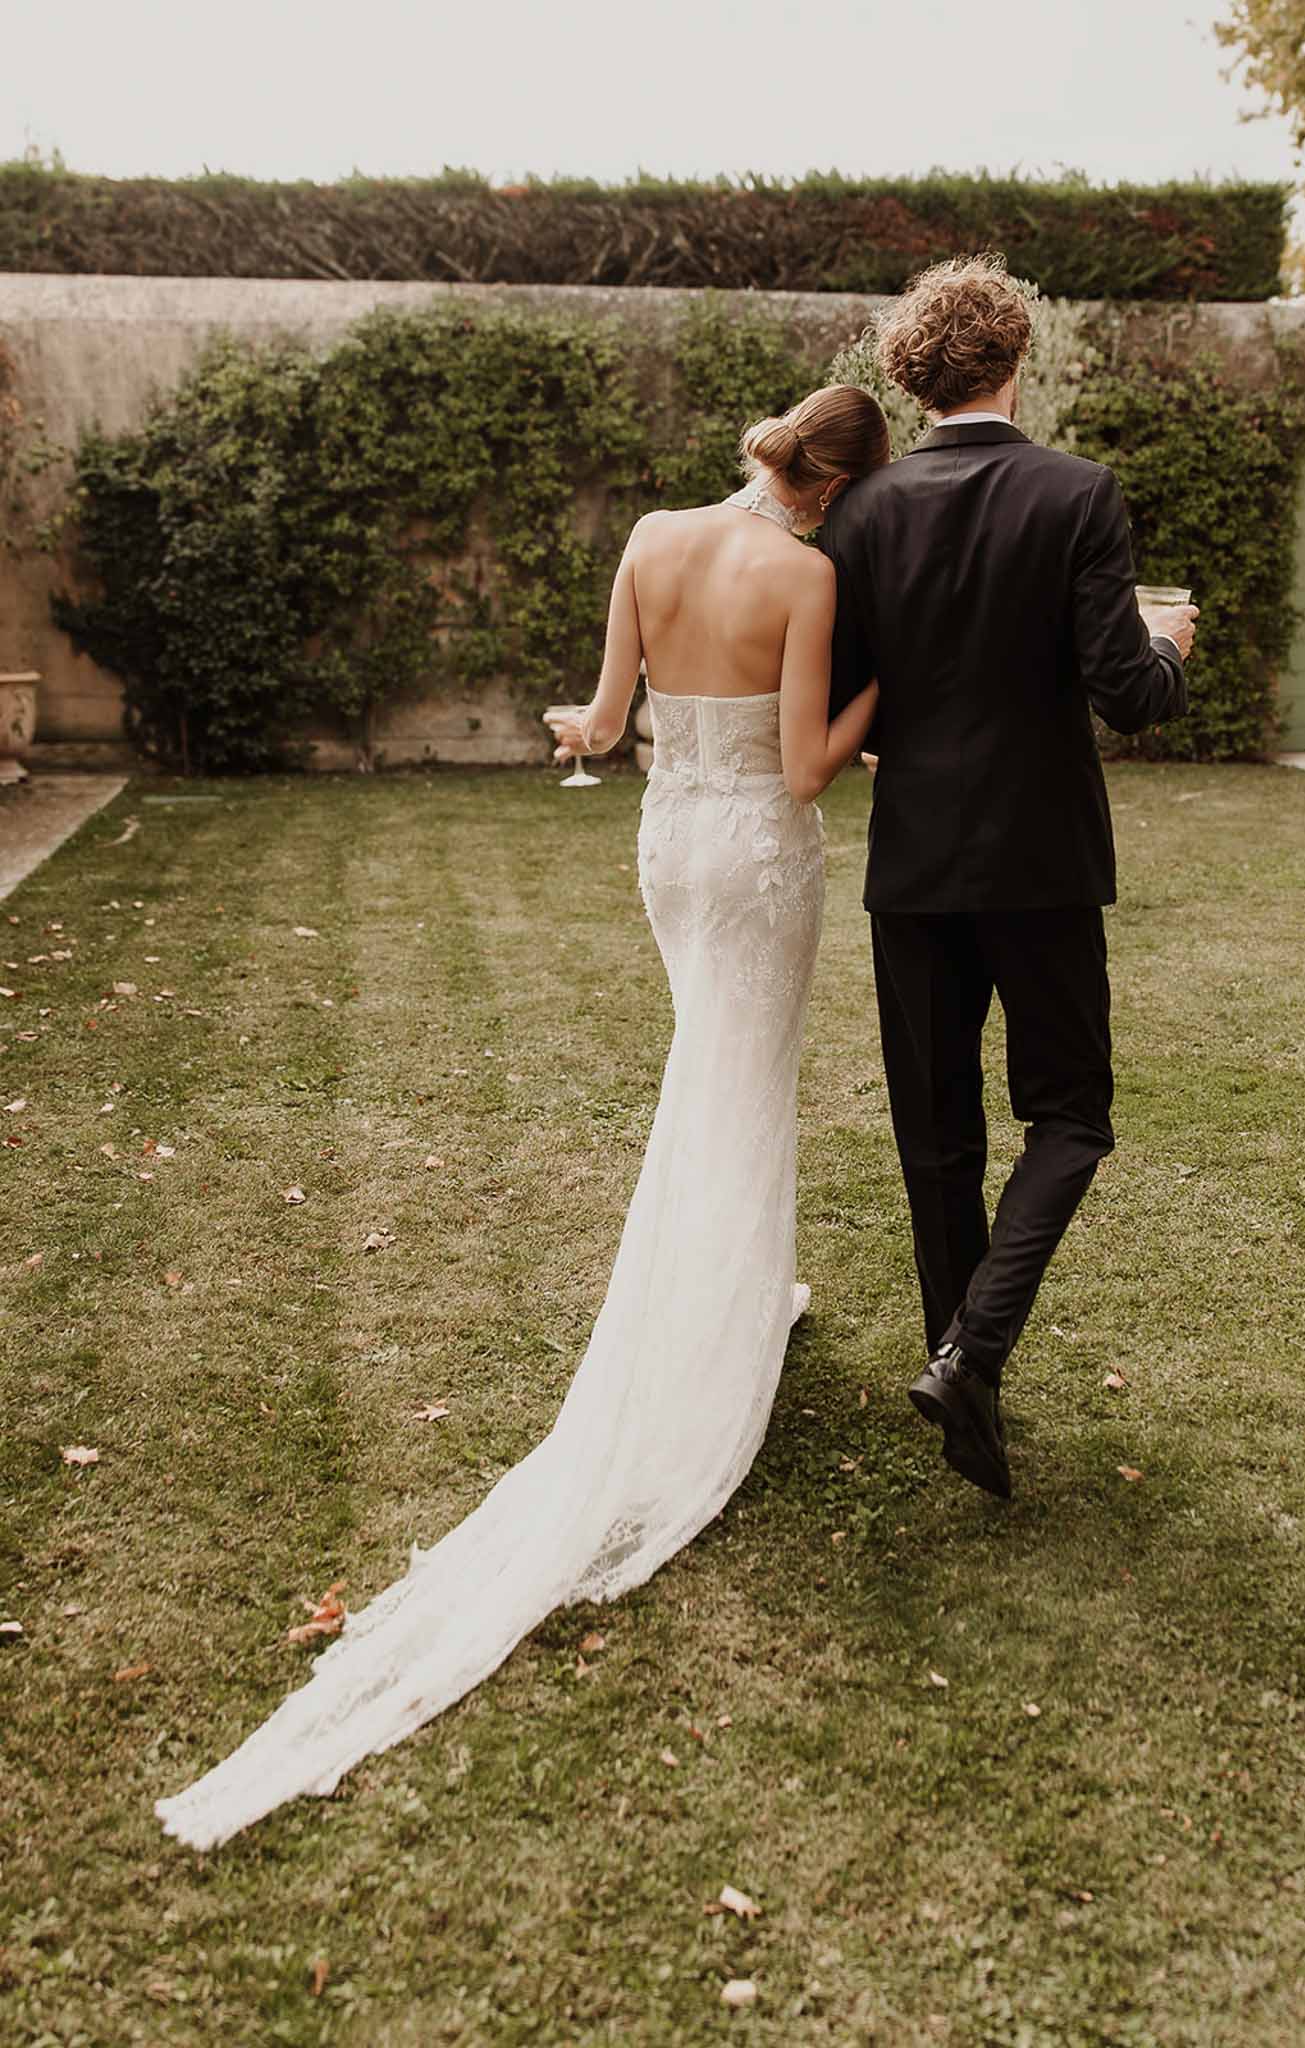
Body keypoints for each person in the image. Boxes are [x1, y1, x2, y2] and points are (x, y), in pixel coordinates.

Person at [154, 383, 891, 1849]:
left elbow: (603, 729)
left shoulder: (651, 535)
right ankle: (715, 1320)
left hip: (671, 850)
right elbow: (810, 767)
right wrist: (900, 691)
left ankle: (744, 1281)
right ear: (840, 491)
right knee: (740, 1078)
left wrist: (600, 718)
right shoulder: (805, 574)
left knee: (707, 1066)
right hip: (756, 853)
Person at [819, 253, 1198, 1502]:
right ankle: (971, 1356)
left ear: (917, 375)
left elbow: (844, 705)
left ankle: (963, 1372)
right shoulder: (1078, 493)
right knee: (1070, 1113)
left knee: (937, 1139)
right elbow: (1128, 697)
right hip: (1039, 861)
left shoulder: (861, 514)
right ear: (1013, 359)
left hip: (914, 866)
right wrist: (1165, 643)